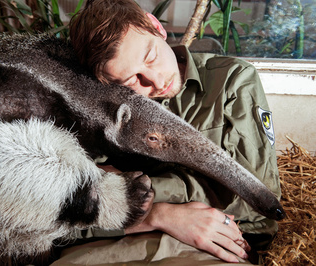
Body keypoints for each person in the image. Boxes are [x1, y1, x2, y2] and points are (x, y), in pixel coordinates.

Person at [52, 0, 282, 264]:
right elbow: (69, 214)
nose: (158, 82)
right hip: (115, 242)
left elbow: (257, 202)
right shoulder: (104, 115)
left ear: (156, 26)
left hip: (212, 239)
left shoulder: (231, 80)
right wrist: (159, 215)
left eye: (152, 57)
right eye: (131, 80)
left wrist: (131, 192)